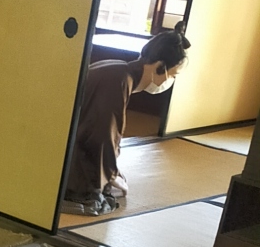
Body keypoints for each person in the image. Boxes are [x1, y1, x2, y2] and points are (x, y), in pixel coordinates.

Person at [62, 22, 191, 216]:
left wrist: (111, 170)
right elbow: (102, 135)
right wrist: (110, 175)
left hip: (68, 138)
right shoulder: (118, 80)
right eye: (173, 75)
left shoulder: (120, 71)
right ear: (160, 67)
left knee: (110, 186)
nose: (170, 81)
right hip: (62, 147)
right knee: (102, 195)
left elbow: (106, 134)